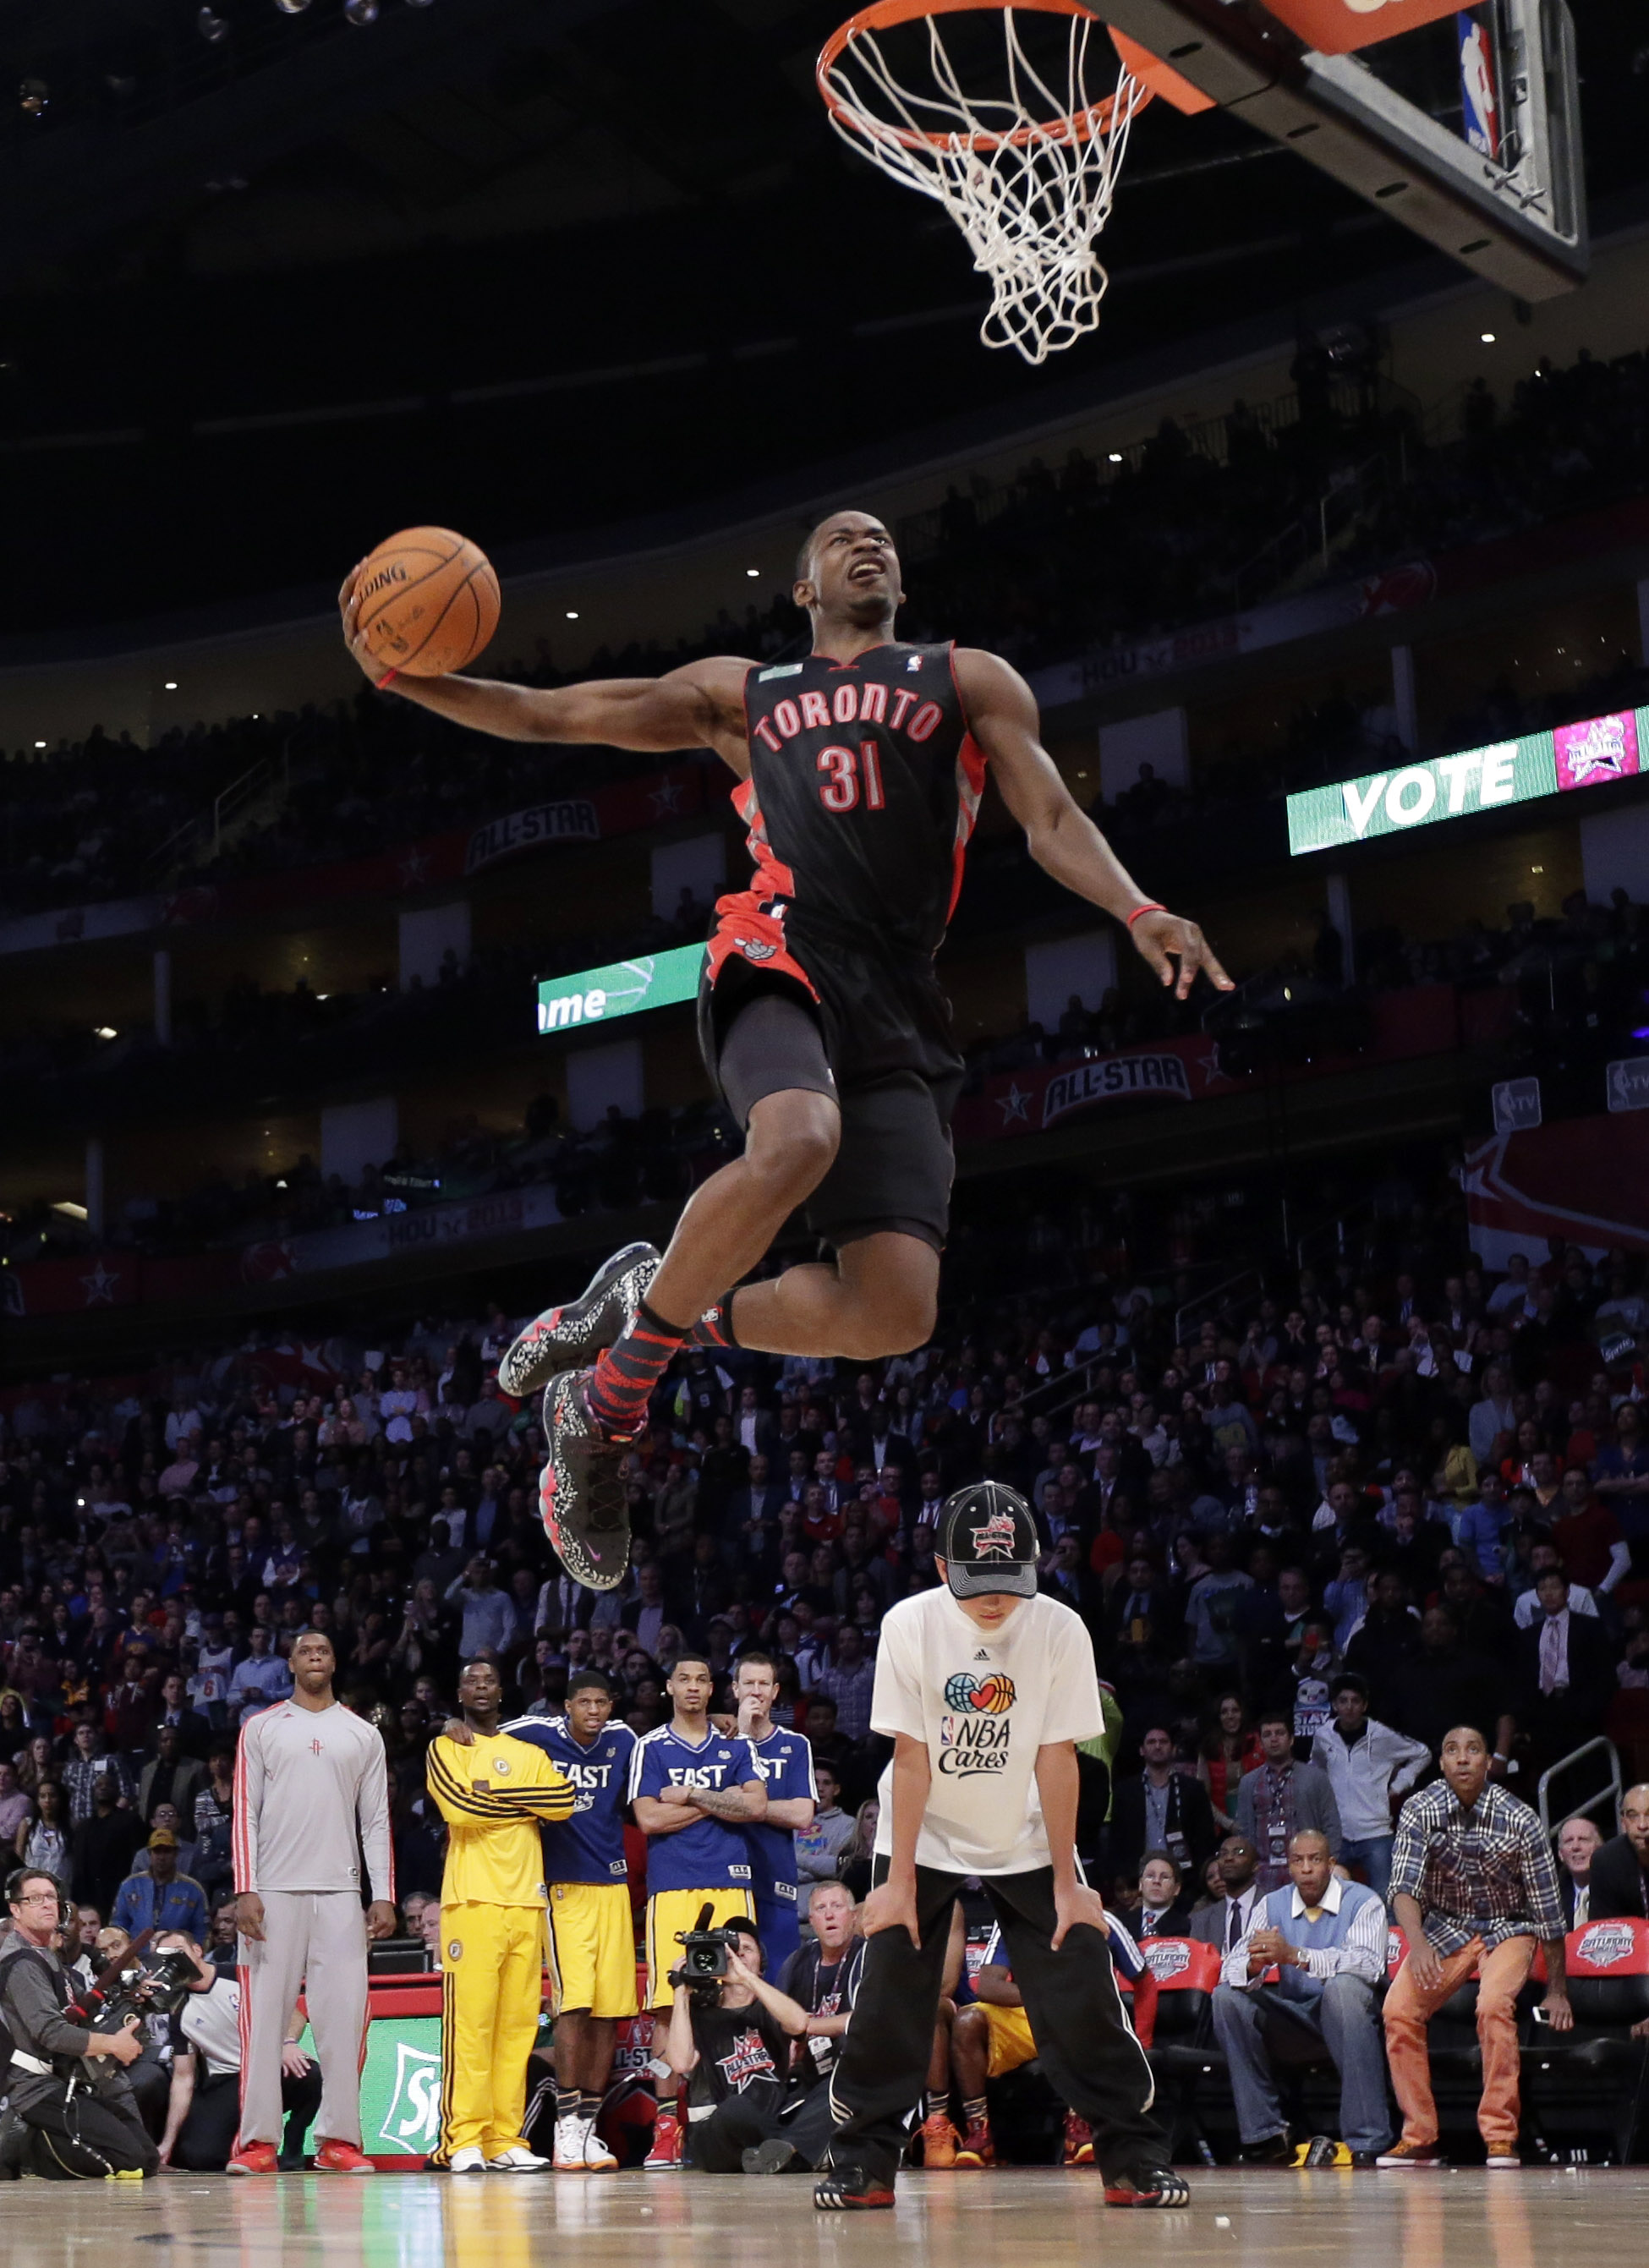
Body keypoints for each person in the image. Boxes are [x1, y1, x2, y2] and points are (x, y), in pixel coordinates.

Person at [348, 513, 1230, 1592]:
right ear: (802, 587)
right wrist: (403, 679)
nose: (870, 544)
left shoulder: (967, 677)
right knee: (798, 1137)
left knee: (895, 1312)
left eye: (885, 538)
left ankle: (648, 1302)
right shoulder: (746, 691)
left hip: (899, 995)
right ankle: (607, 1413)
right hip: (779, 942)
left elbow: (1045, 812)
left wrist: (1138, 908)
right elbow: (553, 714)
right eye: (843, 538)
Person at [816, 1482, 1184, 2210]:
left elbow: (1057, 1758)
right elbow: (913, 1758)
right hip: (921, 1831)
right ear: (942, 1567)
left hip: (1026, 1831)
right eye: (978, 1584)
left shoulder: (1060, 1629)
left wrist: (1068, 1877)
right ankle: (863, 2163)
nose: (995, 1602)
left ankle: (1132, 2158)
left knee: (1081, 1990)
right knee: (893, 1993)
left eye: (1011, 1585)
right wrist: (894, 1882)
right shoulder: (909, 1625)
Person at [229, 1630, 397, 2176]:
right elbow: (244, 1812)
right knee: (263, 2020)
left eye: (324, 1649)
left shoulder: (362, 1733)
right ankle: (257, 2143)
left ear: (335, 1660)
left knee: (344, 2019)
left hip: (342, 1892)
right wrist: (245, 1886)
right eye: (306, 1651)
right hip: (272, 1891)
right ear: (292, 1663)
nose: (316, 1656)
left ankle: (339, 2141)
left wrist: (384, 1893)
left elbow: (375, 1820)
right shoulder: (261, 1727)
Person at [1378, 1723, 1571, 2168]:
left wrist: (1557, 1989)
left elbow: (1548, 1913)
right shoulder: (1420, 1808)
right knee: (1398, 2010)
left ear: (1488, 1761)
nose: (1462, 1758)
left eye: (1473, 1750)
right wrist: (1418, 1942)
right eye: (1452, 1750)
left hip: (1509, 1926)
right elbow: (1404, 1885)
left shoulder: (1520, 1818)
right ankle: (1419, 2136)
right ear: (1442, 1763)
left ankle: (1501, 2135)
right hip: (1445, 1926)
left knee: (1492, 2004)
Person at [424, 1659, 573, 2172]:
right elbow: (460, 1808)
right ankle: (461, 2137)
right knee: (472, 2025)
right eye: (471, 1681)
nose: (481, 1688)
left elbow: (562, 1800)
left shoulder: (528, 1752)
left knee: (516, 2027)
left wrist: (495, 1795)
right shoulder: (446, 1747)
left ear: (502, 1691)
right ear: (460, 1692)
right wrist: (520, 1804)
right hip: (472, 1902)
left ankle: (504, 2137)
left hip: (527, 1901)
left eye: (489, 1680)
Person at [627, 1652, 767, 2168]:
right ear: (669, 1687)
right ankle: (668, 2126)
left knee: (738, 1995)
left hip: (730, 1881)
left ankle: (740, 2110)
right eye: (683, 1679)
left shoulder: (734, 1744)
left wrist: (688, 1795)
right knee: (670, 2002)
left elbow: (754, 1807)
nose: (692, 1687)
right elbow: (648, 1820)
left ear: (713, 1690)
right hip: (672, 1889)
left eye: (701, 1679)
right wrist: (717, 1799)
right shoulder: (650, 1747)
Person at [496, 1668, 639, 2171]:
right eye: (584, 1703)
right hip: (562, 1888)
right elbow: (487, 1730)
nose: (594, 1712)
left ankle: (588, 2126)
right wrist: (458, 1726)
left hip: (614, 1887)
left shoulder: (624, 1739)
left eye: (602, 1702)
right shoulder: (536, 1733)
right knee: (572, 2007)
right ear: (567, 1706)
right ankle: (566, 2127)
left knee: (609, 2010)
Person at [1212, 1828, 1391, 2166]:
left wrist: (1297, 1955)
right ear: (1289, 1868)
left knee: (1344, 1988)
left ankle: (1367, 2136)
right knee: (1226, 1997)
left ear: (1331, 1864)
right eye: (1298, 1861)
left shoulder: (1364, 1901)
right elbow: (1228, 1968)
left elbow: (1369, 1965)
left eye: (1315, 1859)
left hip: (1350, 2021)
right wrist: (1253, 1965)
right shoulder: (1272, 1904)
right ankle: (1265, 2133)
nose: (1307, 1868)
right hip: (1296, 2021)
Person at [951, 1908, 1148, 2171]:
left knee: (1082, 2007)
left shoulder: (1100, 1918)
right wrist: (1050, 1999)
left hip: (1081, 2022)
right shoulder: (1013, 1919)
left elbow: (1144, 1980)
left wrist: (1144, 2039)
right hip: (1030, 2019)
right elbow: (988, 1986)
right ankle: (979, 2132)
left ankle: (1080, 2127)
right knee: (967, 2021)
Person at [0, 1867, 158, 2179]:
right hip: (36, 2089)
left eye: (51, 1897)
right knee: (132, 2160)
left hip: (65, 2079)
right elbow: (51, 2033)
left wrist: (131, 1996)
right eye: (34, 1899)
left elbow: (76, 2011)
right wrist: (113, 2044)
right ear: (15, 1910)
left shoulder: (45, 1955)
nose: (47, 1904)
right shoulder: (21, 1964)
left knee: (148, 2158)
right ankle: (26, 2148)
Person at [662, 1915, 835, 2173]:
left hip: (773, 2118)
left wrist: (745, 1978)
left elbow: (799, 2024)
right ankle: (797, 2151)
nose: (738, 1956)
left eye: (747, 1950)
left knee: (833, 2086)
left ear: (760, 1964)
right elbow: (679, 2062)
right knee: (737, 2108)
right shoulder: (700, 2014)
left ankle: (780, 2154)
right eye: (731, 1951)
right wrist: (680, 1993)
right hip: (721, 2132)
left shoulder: (770, 2007)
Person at [156, 1931, 320, 2172]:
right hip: (226, 2079)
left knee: (311, 2073)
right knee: (200, 2156)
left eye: (179, 1951)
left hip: (265, 2067)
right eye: (167, 1957)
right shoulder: (178, 2008)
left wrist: (287, 2043)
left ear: (197, 1950)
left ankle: (294, 2139)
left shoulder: (238, 1975)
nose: (175, 1961)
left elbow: (295, 2015)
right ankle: (249, 2144)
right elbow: (184, 2078)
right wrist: (167, 2143)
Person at [732, 1648, 818, 1976]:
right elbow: (712, 1803)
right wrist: (740, 1736)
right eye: (749, 1683)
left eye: (764, 1684)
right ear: (735, 1689)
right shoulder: (717, 1743)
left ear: (775, 1691)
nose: (756, 1691)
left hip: (775, 1880)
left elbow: (801, 1814)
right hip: (725, 1880)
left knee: (778, 1986)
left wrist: (747, 1805)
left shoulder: (795, 1745)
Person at [1308, 1674, 1429, 1902]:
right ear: (1335, 1705)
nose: (1349, 1707)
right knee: (1331, 1899)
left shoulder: (1381, 1735)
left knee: (1386, 1898)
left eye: (1355, 1701)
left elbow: (1422, 1753)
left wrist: (1399, 1785)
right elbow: (1316, 1765)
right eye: (1343, 1701)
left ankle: (1392, 1939)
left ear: (1364, 1705)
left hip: (1376, 1833)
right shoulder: (1324, 1735)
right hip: (1338, 1832)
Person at [1234, 1709, 1342, 1894]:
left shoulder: (1315, 1777)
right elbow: (1243, 1830)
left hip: (1306, 1869)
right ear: (1261, 1742)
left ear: (1291, 1739)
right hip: (1263, 1872)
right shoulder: (1248, 1782)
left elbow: (1331, 1824)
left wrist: (1327, 1864)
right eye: (1267, 1735)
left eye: (1280, 1733)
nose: (1274, 1739)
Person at [777, 1880, 864, 2103]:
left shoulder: (869, 1955)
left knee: (851, 2039)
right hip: (807, 2073)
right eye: (820, 1908)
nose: (829, 1915)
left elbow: (865, 2021)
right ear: (812, 1921)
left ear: (854, 1916)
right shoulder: (797, 1962)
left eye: (837, 1906)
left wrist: (805, 2028)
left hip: (856, 2076)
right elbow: (778, 2019)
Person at [1110, 1725, 1218, 1883]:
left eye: (1163, 1742)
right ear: (1142, 1750)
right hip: (1137, 1879)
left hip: (1184, 1878)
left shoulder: (1192, 1788)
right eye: (1152, 1742)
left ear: (1173, 1749)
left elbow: (1205, 1837)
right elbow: (1117, 1838)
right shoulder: (1126, 1791)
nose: (1158, 1746)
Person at [111, 1827, 210, 1943]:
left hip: (177, 1957)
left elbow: (202, 1931)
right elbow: (118, 1925)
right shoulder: (130, 1885)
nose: (162, 1857)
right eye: (157, 1851)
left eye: (167, 1851)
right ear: (149, 1853)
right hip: (137, 1956)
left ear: (176, 1854)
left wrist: (195, 1955)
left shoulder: (192, 1889)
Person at [1586, 1781, 1649, 1920]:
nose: (1642, 1825)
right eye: (1633, 1815)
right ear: (1623, 1822)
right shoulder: (1606, 1861)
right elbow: (1604, 1929)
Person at [1190, 1834, 1263, 1951]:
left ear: (1255, 1866)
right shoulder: (1202, 1920)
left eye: (1239, 1852)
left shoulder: (1275, 1907)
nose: (1229, 1858)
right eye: (1223, 1854)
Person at [794, 1762, 855, 1886]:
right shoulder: (792, 1819)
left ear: (836, 1789)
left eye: (826, 1783)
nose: (820, 1788)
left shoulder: (848, 1824)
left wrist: (794, 1858)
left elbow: (836, 1867)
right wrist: (819, 1868)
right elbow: (778, 1863)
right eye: (815, 1782)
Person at [1556, 1812, 1603, 1926]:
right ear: (1560, 1854)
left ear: (1600, 1847)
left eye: (1583, 1839)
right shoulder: (1553, 1899)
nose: (1576, 1847)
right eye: (1569, 1841)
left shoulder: (1618, 1890)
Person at [1134, 1850, 1193, 1939]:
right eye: (1150, 1876)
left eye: (1165, 1877)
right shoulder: (1121, 1923)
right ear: (1140, 1884)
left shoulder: (1187, 1926)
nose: (1156, 1881)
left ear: (1176, 1889)